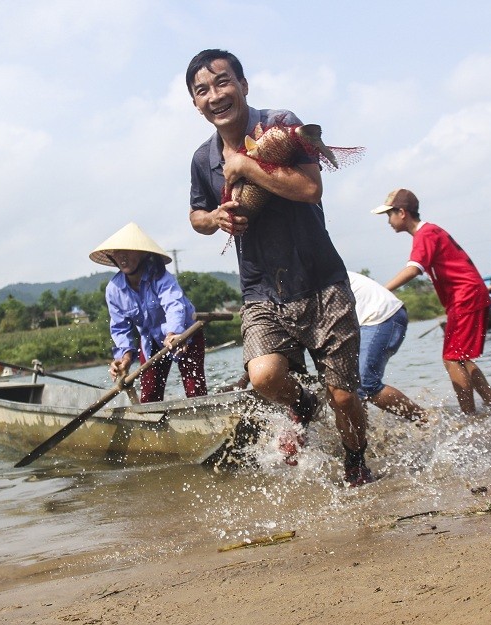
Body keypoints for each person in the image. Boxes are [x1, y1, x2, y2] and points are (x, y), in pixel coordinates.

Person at [186, 48, 373, 486]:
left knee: (344, 397)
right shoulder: (202, 159)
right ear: (195, 103)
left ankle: (356, 464)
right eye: (202, 90)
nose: (215, 95)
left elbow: (310, 188)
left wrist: (246, 164)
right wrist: (215, 218)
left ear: (244, 85)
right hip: (261, 289)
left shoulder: (279, 125)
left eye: (223, 82)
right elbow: (196, 216)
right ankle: (303, 403)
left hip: (320, 279)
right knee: (265, 377)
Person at [373, 189, 491, 415]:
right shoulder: (430, 232)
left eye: (389, 215)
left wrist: (380, 290)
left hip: (466, 296)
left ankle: (469, 416)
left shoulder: (425, 234)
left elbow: (413, 269)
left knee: (451, 360)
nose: (388, 222)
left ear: (402, 213)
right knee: (460, 358)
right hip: (467, 295)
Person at [89, 222, 207, 404]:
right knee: (149, 396)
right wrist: (125, 359)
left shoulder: (161, 277)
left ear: (143, 253)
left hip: (185, 334)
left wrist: (174, 334)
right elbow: (120, 327)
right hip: (150, 341)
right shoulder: (114, 289)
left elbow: (174, 305)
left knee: (195, 390)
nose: (122, 257)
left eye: (127, 251)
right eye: (118, 253)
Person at [347, 271, 427, 424]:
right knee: (352, 384)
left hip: (381, 315)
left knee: (366, 382)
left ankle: (425, 420)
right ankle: (364, 436)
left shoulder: (307, 276)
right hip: (368, 320)